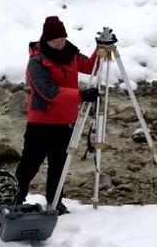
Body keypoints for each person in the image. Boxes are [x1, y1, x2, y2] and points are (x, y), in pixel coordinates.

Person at [15, 16, 99, 215]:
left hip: (66, 122)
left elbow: (89, 66)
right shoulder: (36, 62)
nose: (60, 43)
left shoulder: (70, 54)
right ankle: (15, 198)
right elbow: (48, 91)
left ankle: (55, 202)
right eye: (55, 41)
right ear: (46, 40)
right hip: (41, 123)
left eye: (62, 39)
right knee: (30, 165)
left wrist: (101, 48)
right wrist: (81, 95)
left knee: (59, 165)